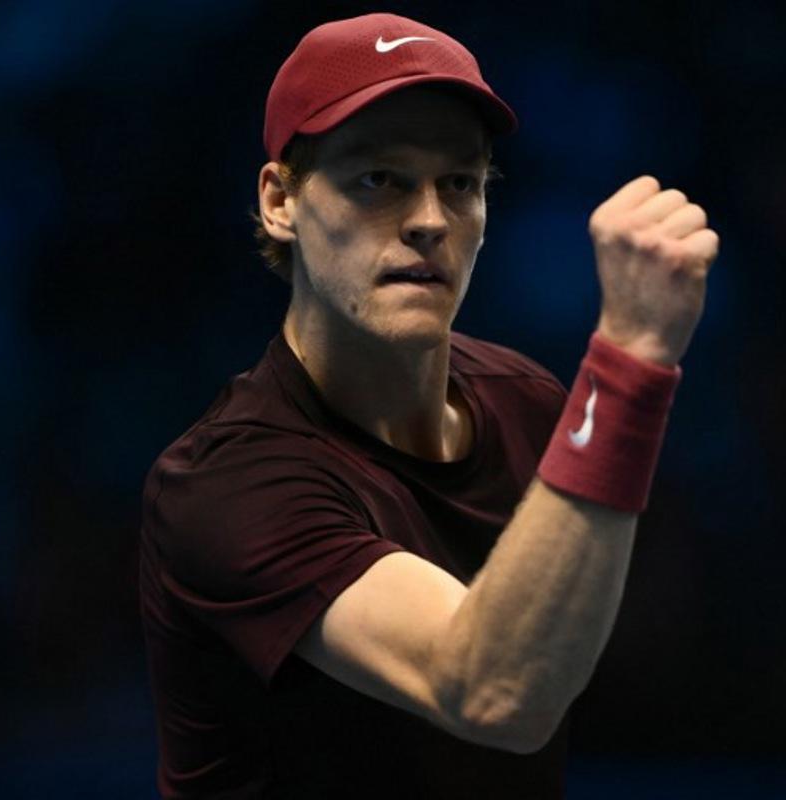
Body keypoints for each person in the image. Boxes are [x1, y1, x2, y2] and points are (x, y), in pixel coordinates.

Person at [138, 11, 717, 799]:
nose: (429, 221)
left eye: (461, 183)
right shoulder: (223, 484)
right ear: (281, 200)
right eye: (379, 178)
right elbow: (489, 690)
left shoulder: (533, 408)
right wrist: (630, 360)